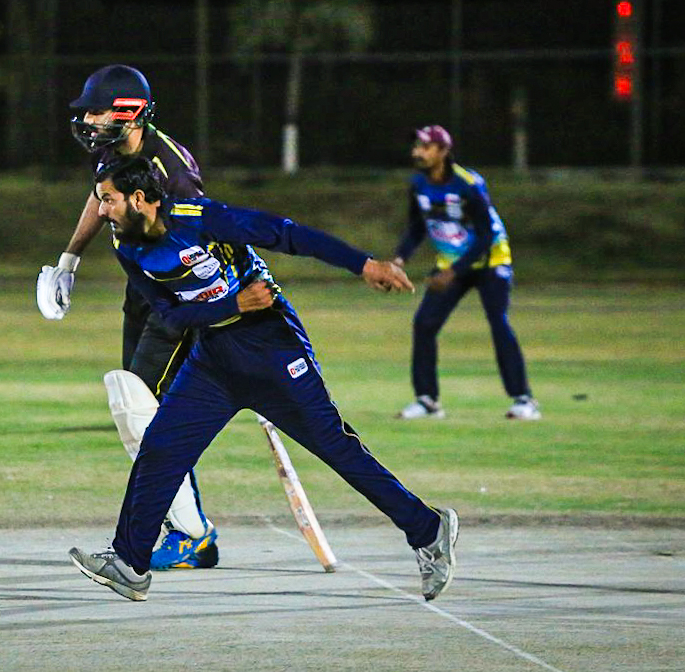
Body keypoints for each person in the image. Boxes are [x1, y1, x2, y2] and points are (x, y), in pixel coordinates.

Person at [68, 155, 459, 603]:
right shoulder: (126, 247)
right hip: (212, 362)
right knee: (159, 449)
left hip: (273, 350)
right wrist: (232, 306)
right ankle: (130, 563)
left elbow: (285, 233)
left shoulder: (201, 218)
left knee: (337, 448)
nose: (101, 211)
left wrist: (365, 265)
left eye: (108, 200)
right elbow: (169, 315)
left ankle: (428, 529)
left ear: (139, 199)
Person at [36, 64, 219, 570]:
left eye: (96, 111)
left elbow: (204, 240)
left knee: (143, 412)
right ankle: (188, 531)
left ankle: (191, 532)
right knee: (143, 413)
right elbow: (101, 198)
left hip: (177, 297)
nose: (88, 121)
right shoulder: (112, 152)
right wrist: (70, 259)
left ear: (128, 112)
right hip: (142, 292)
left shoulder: (171, 170)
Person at [392, 125, 539, 421]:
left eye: (425, 147)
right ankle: (427, 401)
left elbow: (486, 236)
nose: (417, 152)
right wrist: (399, 259)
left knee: (498, 322)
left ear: (443, 151)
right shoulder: (418, 184)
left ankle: (524, 400)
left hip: (491, 261)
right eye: (417, 146)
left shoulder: (468, 184)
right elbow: (418, 226)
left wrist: (453, 272)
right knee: (424, 324)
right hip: (452, 263)